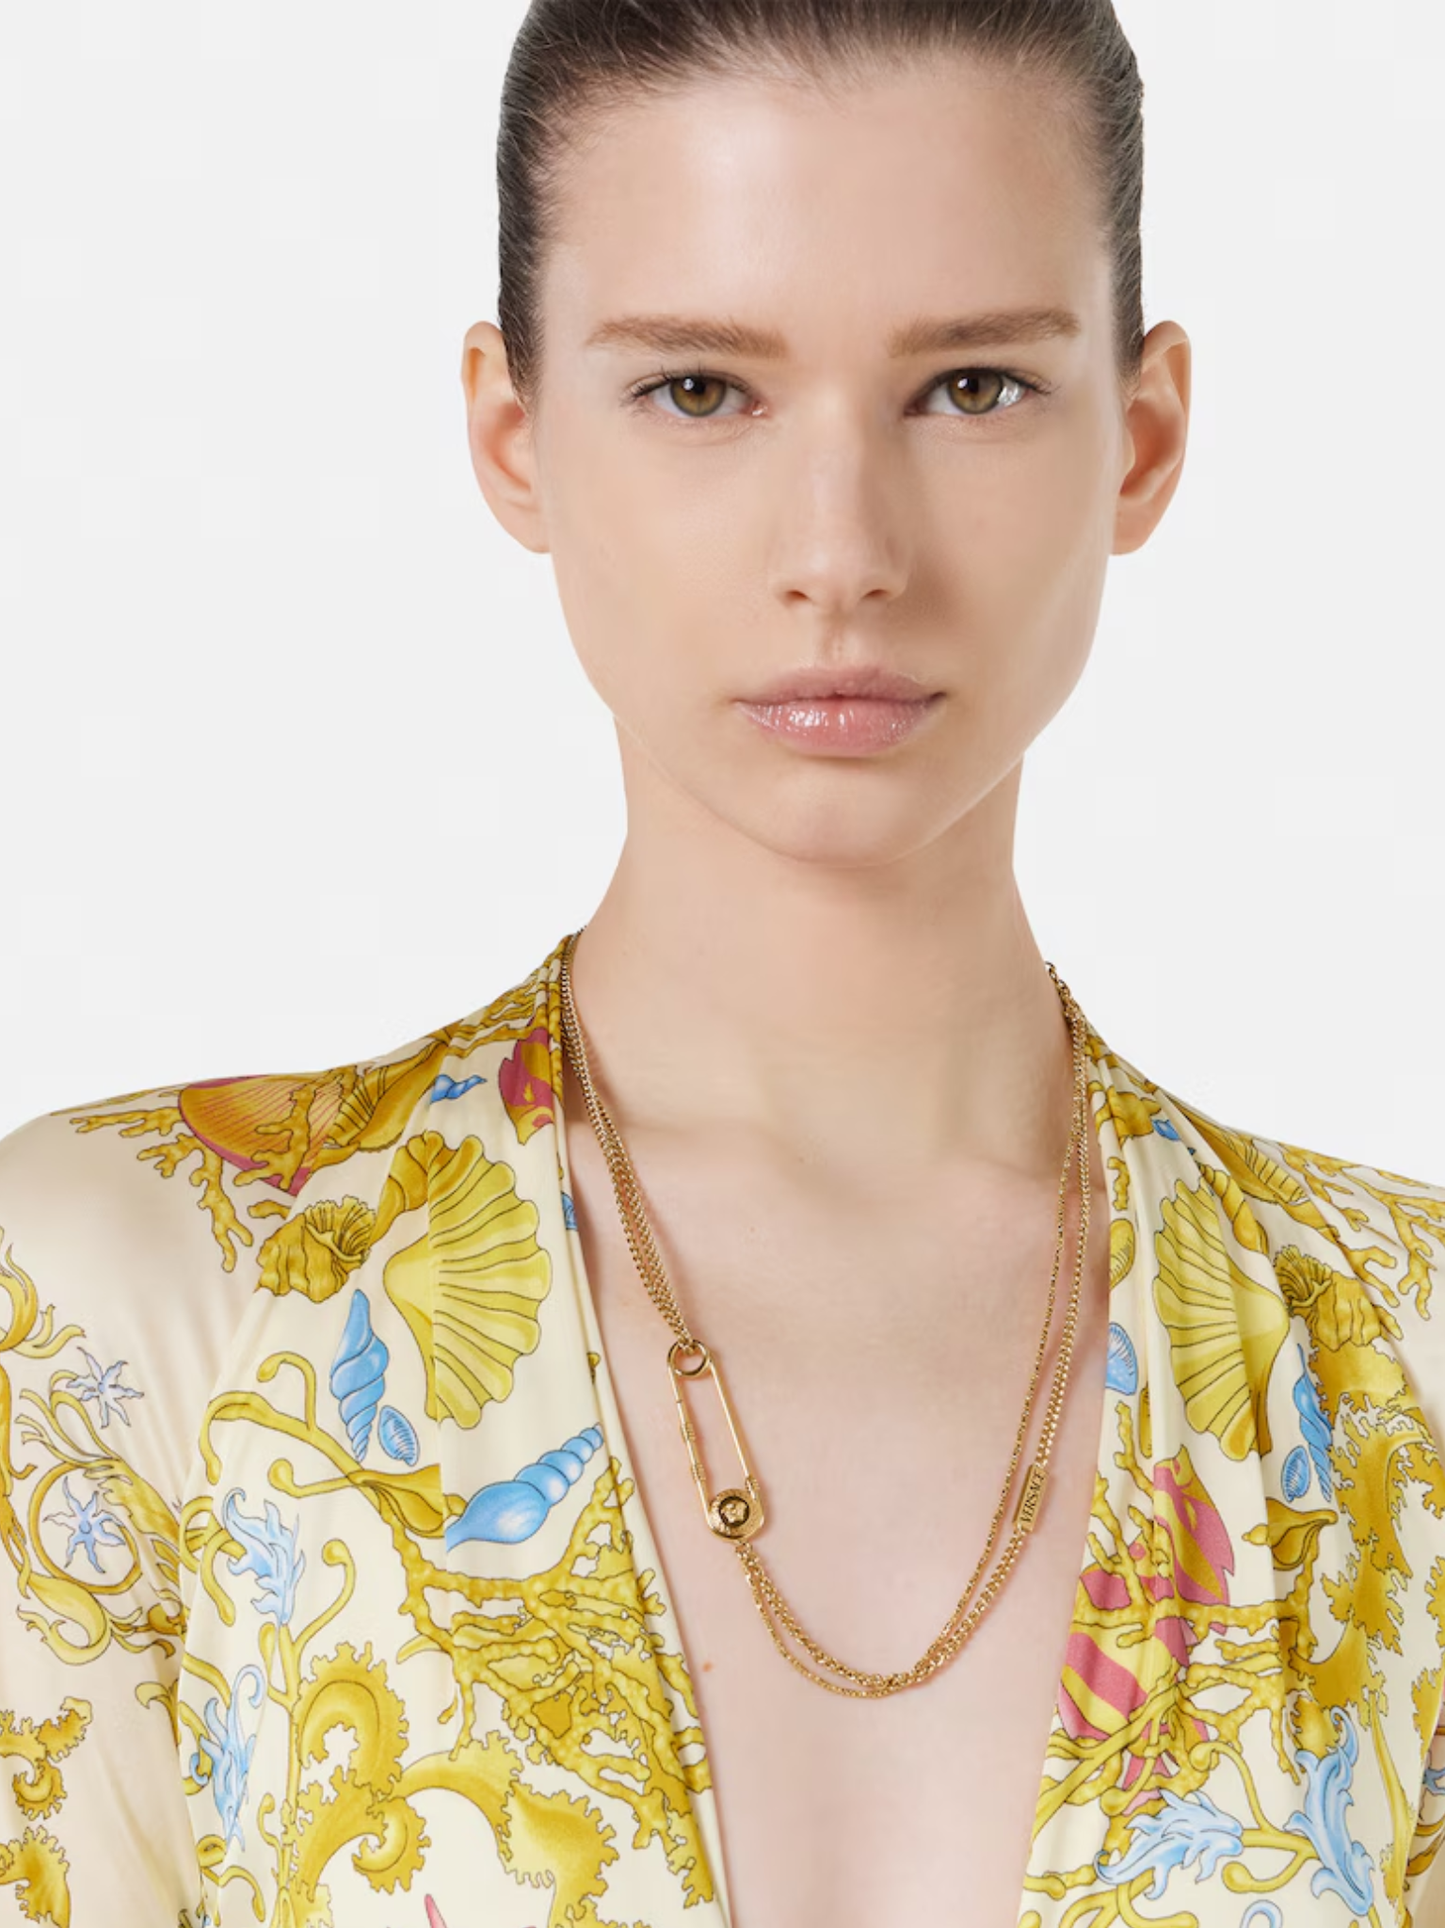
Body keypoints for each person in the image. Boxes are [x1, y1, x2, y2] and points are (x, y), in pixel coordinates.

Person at [1, 0, 1442, 1922]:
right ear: (514, 434)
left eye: (973, 387)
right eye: (700, 389)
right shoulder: (139, 1310)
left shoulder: (1405, 1374)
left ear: (1144, 434)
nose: (841, 552)